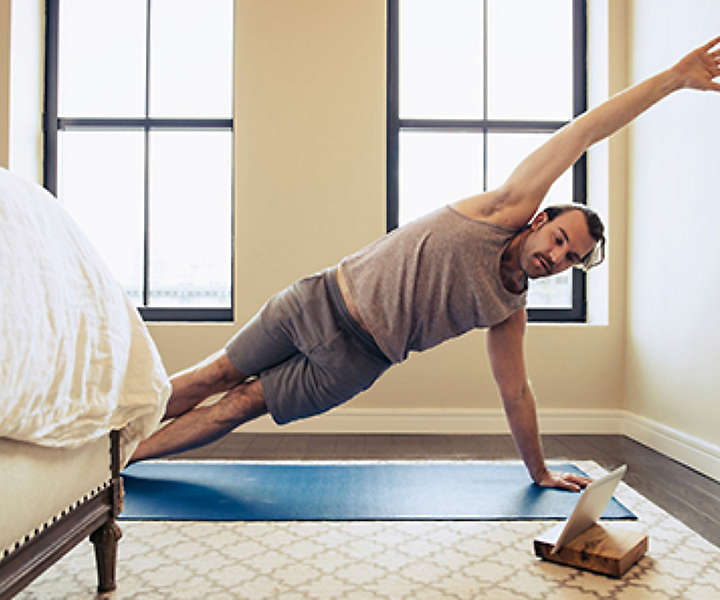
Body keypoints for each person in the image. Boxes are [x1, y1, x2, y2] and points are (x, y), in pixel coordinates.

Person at [130, 37, 720, 491]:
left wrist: (539, 472)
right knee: (215, 376)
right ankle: (105, 432)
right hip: (317, 301)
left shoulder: (507, 310)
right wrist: (672, 79)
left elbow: (516, 392)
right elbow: (582, 133)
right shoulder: (502, 208)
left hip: (355, 361)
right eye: (560, 238)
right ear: (541, 221)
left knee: (239, 406)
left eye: (571, 258)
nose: (557, 256)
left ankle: (118, 465)